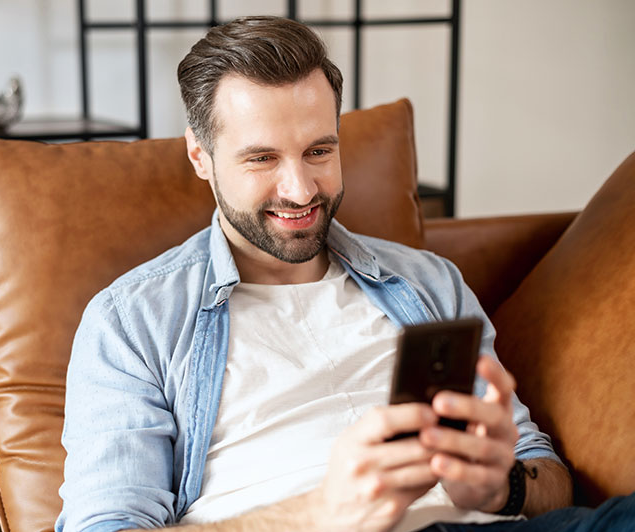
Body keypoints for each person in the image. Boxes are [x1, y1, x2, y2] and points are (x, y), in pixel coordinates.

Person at [56, 16, 634, 532]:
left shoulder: (428, 283)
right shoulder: (133, 320)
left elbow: (549, 477)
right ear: (200, 156)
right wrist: (319, 512)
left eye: (318, 151)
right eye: (262, 158)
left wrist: (502, 487)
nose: (300, 190)